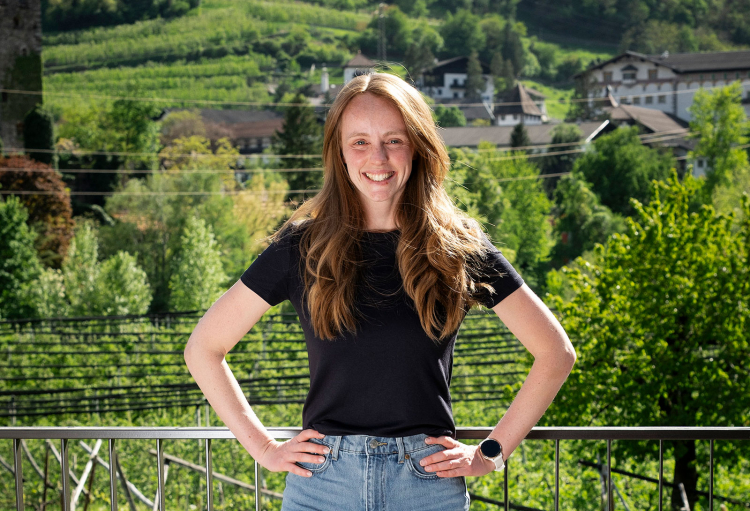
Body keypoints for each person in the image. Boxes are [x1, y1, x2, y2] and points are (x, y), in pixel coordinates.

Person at [184, 72, 576, 510]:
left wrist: (490, 454)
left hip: (426, 487)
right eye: (360, 142)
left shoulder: (458, 247)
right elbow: (203, 348)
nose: (378, 157)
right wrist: (263, 449)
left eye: (394, 140)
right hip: (322, 487)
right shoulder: (301, 247)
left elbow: (556, 353)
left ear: (418, 146)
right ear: (339, 152)